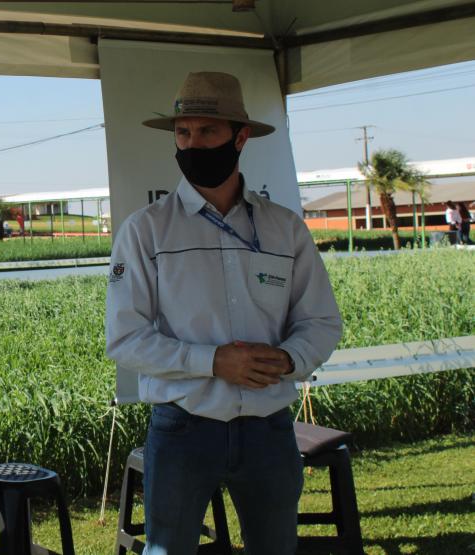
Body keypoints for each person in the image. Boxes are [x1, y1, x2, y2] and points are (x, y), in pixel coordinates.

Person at [105, 72, 343, 555]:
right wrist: (214, 362)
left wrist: (290, 359)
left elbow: (321, 321)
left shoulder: (284, 229)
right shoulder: (146, 231)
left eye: (207, 132)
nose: (193, 144)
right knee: (169, 549)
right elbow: (125, 338)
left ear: (241, 137)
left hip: (270, 427)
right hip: (182, 427)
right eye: (183, 133)